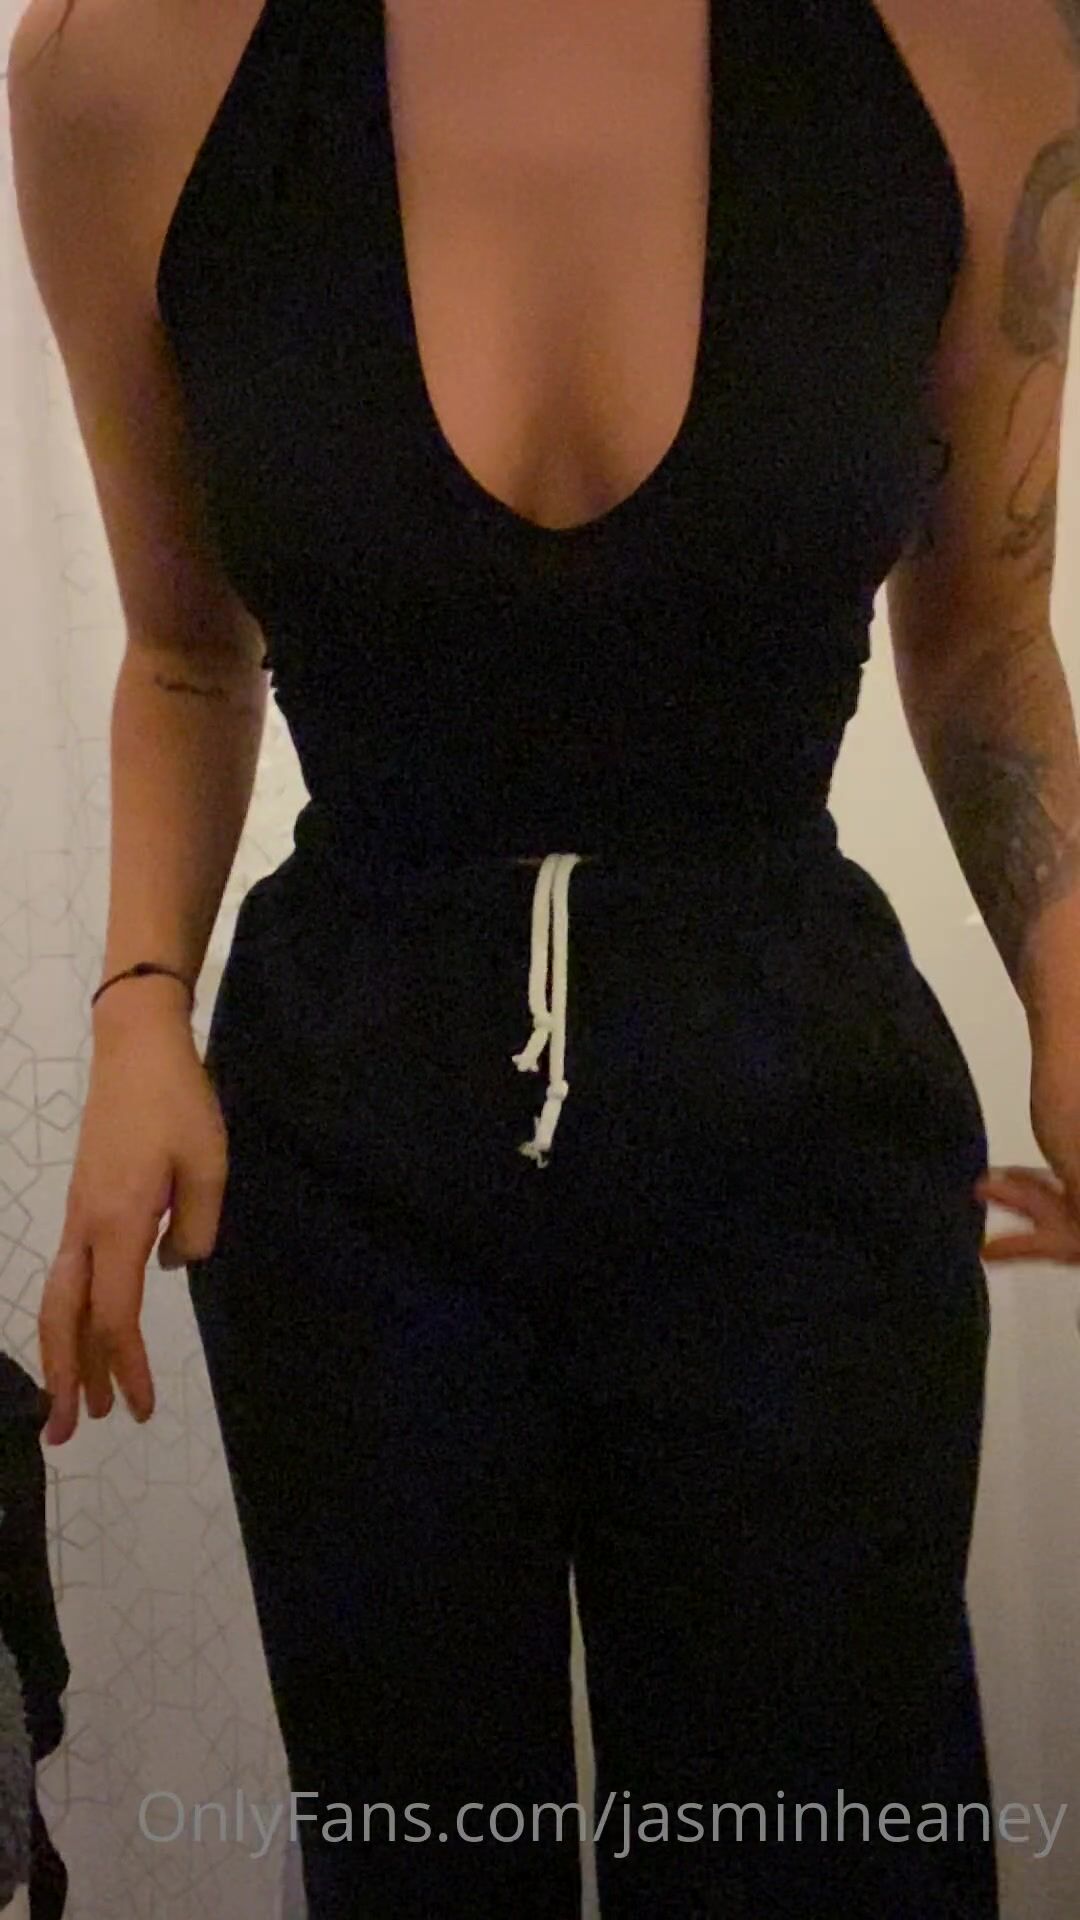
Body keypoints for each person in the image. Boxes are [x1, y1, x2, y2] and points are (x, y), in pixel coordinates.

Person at [8, 0, 1080, 1912]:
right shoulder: (117, 72)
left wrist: (1072, 999)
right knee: (419, 1860)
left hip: (801, 1125)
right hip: (345, 1150)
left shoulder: (981, 49)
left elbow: (987, 637)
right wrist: (139, 1004)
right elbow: (183, 648)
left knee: (825, 1853)